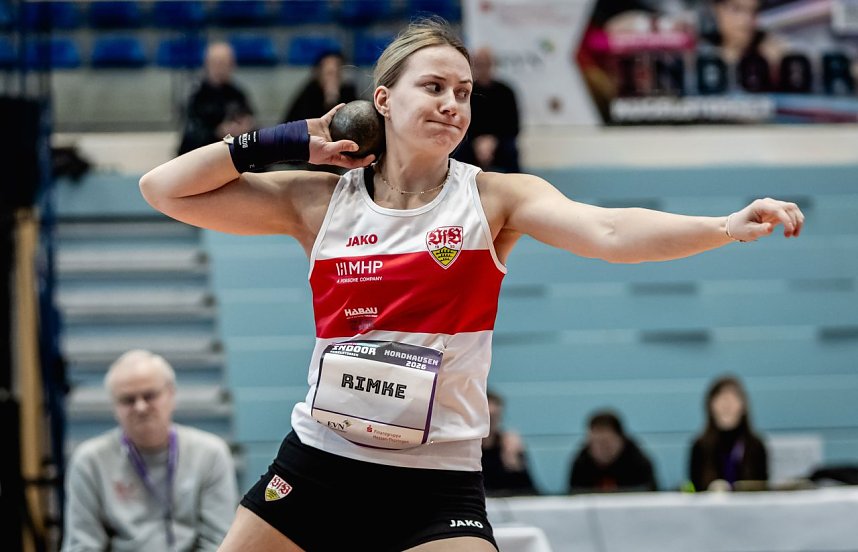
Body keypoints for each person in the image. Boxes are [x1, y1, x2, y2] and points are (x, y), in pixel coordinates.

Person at [138, 16, 804, 551]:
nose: (453, 104)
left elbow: (607, 231)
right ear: (382, 100)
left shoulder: (493, 199)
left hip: (435, 482)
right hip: (320, 462)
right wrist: (290, 140)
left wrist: (722, 225)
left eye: (462, 93)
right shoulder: (319, 202)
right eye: (434, 87)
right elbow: (163, 189)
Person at [62, 350, 239, 551]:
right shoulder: (90, 461)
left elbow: (219, 542)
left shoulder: (210, 454)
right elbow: (82, 545)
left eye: (150, 396)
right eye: (128, 400)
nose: (140, 407)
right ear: (114, 406)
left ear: (171, 394)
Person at [688, 375, 769, 492]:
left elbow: (762, 487)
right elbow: (695, 489)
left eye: (733, 398)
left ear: (743, 406)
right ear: (710, 405)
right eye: (721, 398)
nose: (727, 405)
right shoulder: (700, 446)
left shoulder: (755, 445)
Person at [178, 41, 255, 156]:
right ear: (207, 64)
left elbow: (249, 119)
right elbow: (191, 133)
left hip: (232, 153)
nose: (221, 68)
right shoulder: (196, 95)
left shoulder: (237, 94)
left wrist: (245, 126)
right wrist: (218, 132)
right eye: (217, 63)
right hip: (200, 155)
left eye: (224, 63)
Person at [452, 46, 520, 173]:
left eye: (486, 64)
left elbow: (513, 126)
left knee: (511, 151)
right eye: (479, 64)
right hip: (471, 142)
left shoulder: (506, 91)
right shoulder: (466, 92)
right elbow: (459, 121)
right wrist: (477, 142)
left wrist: (493, 141)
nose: (483, 68)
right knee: (457, 151)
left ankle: (516, 187)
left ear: (492, 64)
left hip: (500, 142)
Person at [568, 409, 658, 493]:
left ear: (621, 440)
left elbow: (651, 497)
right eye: (595, 443)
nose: (601, 449)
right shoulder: (581, 463)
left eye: (606, 443)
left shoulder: (638, 462)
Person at [481, 390, 538, 497]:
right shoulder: (466, 450)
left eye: (495, 417)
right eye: (487, 417)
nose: (491, 423)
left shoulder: (508, 446)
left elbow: (531, 492)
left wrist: (515, 464)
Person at [282, 50, 357, 123]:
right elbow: (302, 125)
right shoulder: (309, 92)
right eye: (328, 73)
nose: (332, 79)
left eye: (336, 73)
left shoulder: (348, 91)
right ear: (318, 72)